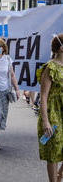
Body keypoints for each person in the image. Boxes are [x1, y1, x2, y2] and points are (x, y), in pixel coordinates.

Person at [37, 34, 63, 182]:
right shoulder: (50, 67)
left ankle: (59, 175)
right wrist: (46, 121)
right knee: (54, 150)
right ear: (61, 48)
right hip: (53, 112)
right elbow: (44, 96)